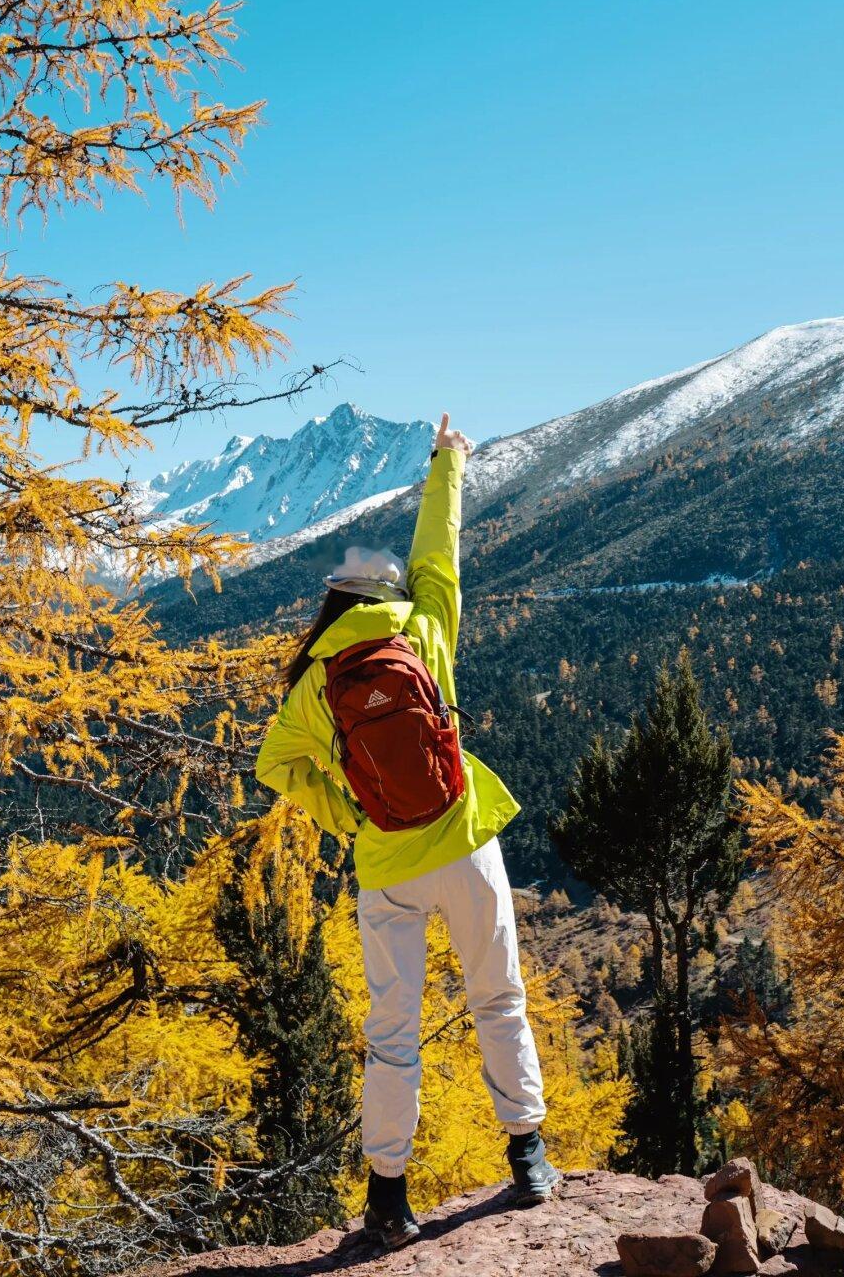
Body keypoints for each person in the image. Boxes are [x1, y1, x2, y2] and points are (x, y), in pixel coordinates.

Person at [255, 412, 560, 1250]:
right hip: (464, 843)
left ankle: (387, 1197)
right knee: (497, 999)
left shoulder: (318, 685)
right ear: (390, 598)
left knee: (391, 1034)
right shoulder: (424, 635)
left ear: (335, 604)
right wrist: (446, 462)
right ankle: (528, 1156)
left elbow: (274, 767)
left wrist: (346, 810)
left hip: (385, 865)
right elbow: (439, 551)